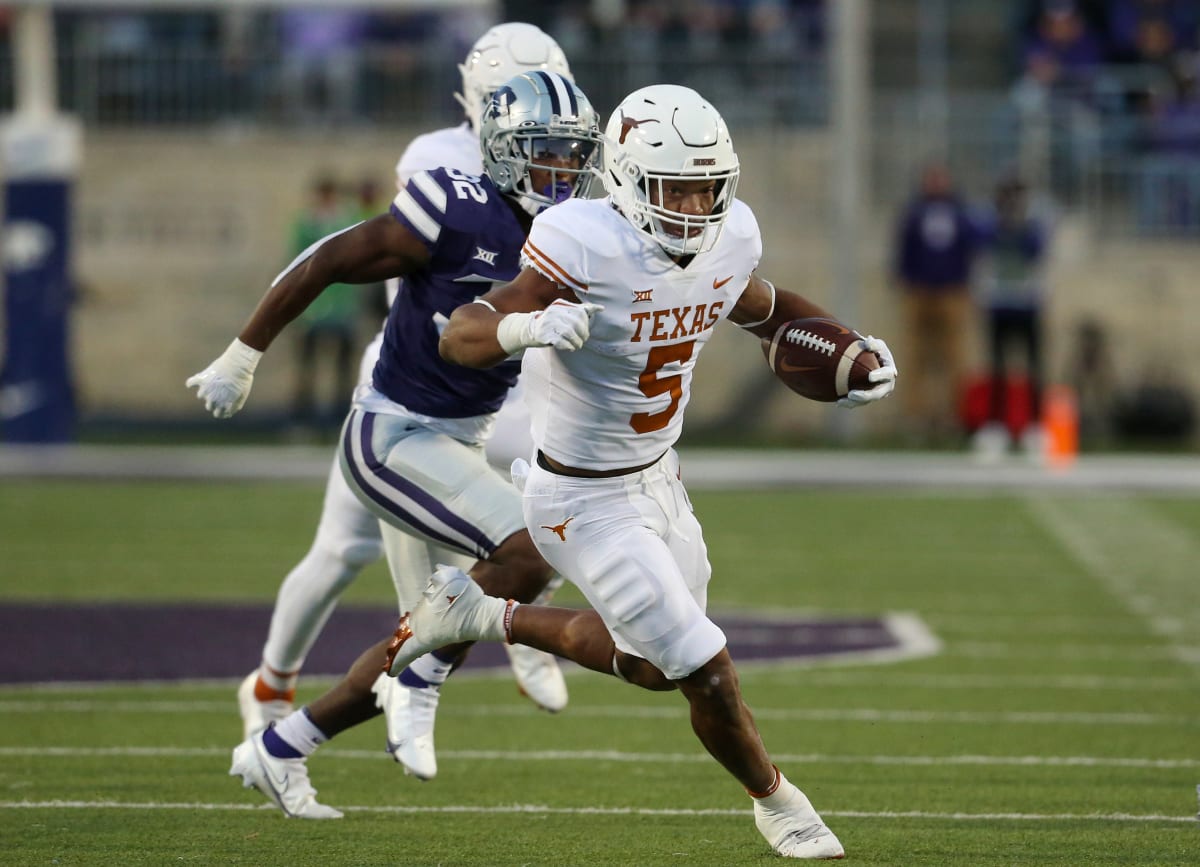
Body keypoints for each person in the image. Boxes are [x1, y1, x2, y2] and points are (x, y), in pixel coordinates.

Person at [396, 84, 898, 859]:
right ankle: (781, 803)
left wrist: (847, 348)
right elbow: (462, 333)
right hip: (580, 499)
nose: (696, 206)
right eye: (676, 188)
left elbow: (766, 310)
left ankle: (480, 614)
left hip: (661, 481)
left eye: (708, 187)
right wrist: (526, 327)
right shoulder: (583, 241)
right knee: (704, 666)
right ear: (627, 180)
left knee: (651, 666)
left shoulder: (729, 237)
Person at [186, 69, 603, 817]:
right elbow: (328, 259)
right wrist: (243, 354)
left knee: (453, 608)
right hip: (393, 432)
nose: (561, 168)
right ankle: (416, 681)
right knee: (529, 552)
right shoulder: (456, 205)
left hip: (460, 443)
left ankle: (284, 746)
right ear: (502, 150)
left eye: (573, 153)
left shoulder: (575, 233)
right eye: (544, 150)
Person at [892, 159, 982, 443]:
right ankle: (915, 417)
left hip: (951, 291)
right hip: (919, 290)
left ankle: (953, 417)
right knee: (915, 356)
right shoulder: (914, 212)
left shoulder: (960, 212)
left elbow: (970, 247)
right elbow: (904, 249)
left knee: (954, 356)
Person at [971, 175, 1051, 459]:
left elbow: (1036, 249)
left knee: (1034, 368)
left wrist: (1019, 226)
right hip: (999, 303)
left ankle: (1035, 427)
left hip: (1028, 304)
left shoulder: (1034, 223)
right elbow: (980, 241)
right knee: (997, 369)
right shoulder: (990, 223)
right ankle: (995, 427)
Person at [288, 173, 362, 428]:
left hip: (342, 306)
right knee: (307, 364)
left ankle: (340, 416)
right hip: (312, 306)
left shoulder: (348, 222)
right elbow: (297, 261)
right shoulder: (307, 224)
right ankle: (303, 419)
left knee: (343, 365)